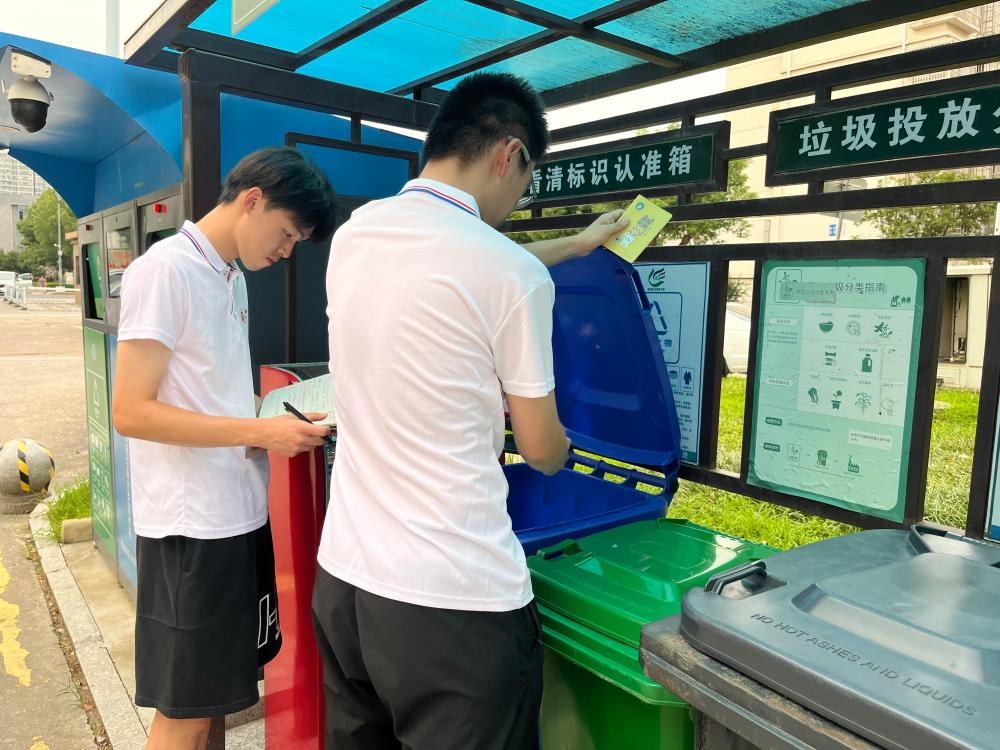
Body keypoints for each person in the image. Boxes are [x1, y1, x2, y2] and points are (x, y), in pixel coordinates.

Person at [314, 72, 629, 750]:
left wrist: (576, 245)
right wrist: (567, 447)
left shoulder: (359, 235)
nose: (518, 202)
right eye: (527, 182)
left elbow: (466, 270)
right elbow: (540, 448)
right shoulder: (507, 273)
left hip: (346, 585)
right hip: (453, 605)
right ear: (510, 154)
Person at [112, 146, 337, 750]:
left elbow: (211, 393)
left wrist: (274, 418)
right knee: (184, 710)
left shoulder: (228, 276)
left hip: (236, 514)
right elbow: (130, 411)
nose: (287, 252)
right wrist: (258, 433)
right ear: (252, 200)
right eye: (287, 234)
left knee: (215, 698)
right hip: (191, 530)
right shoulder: (165, 271)